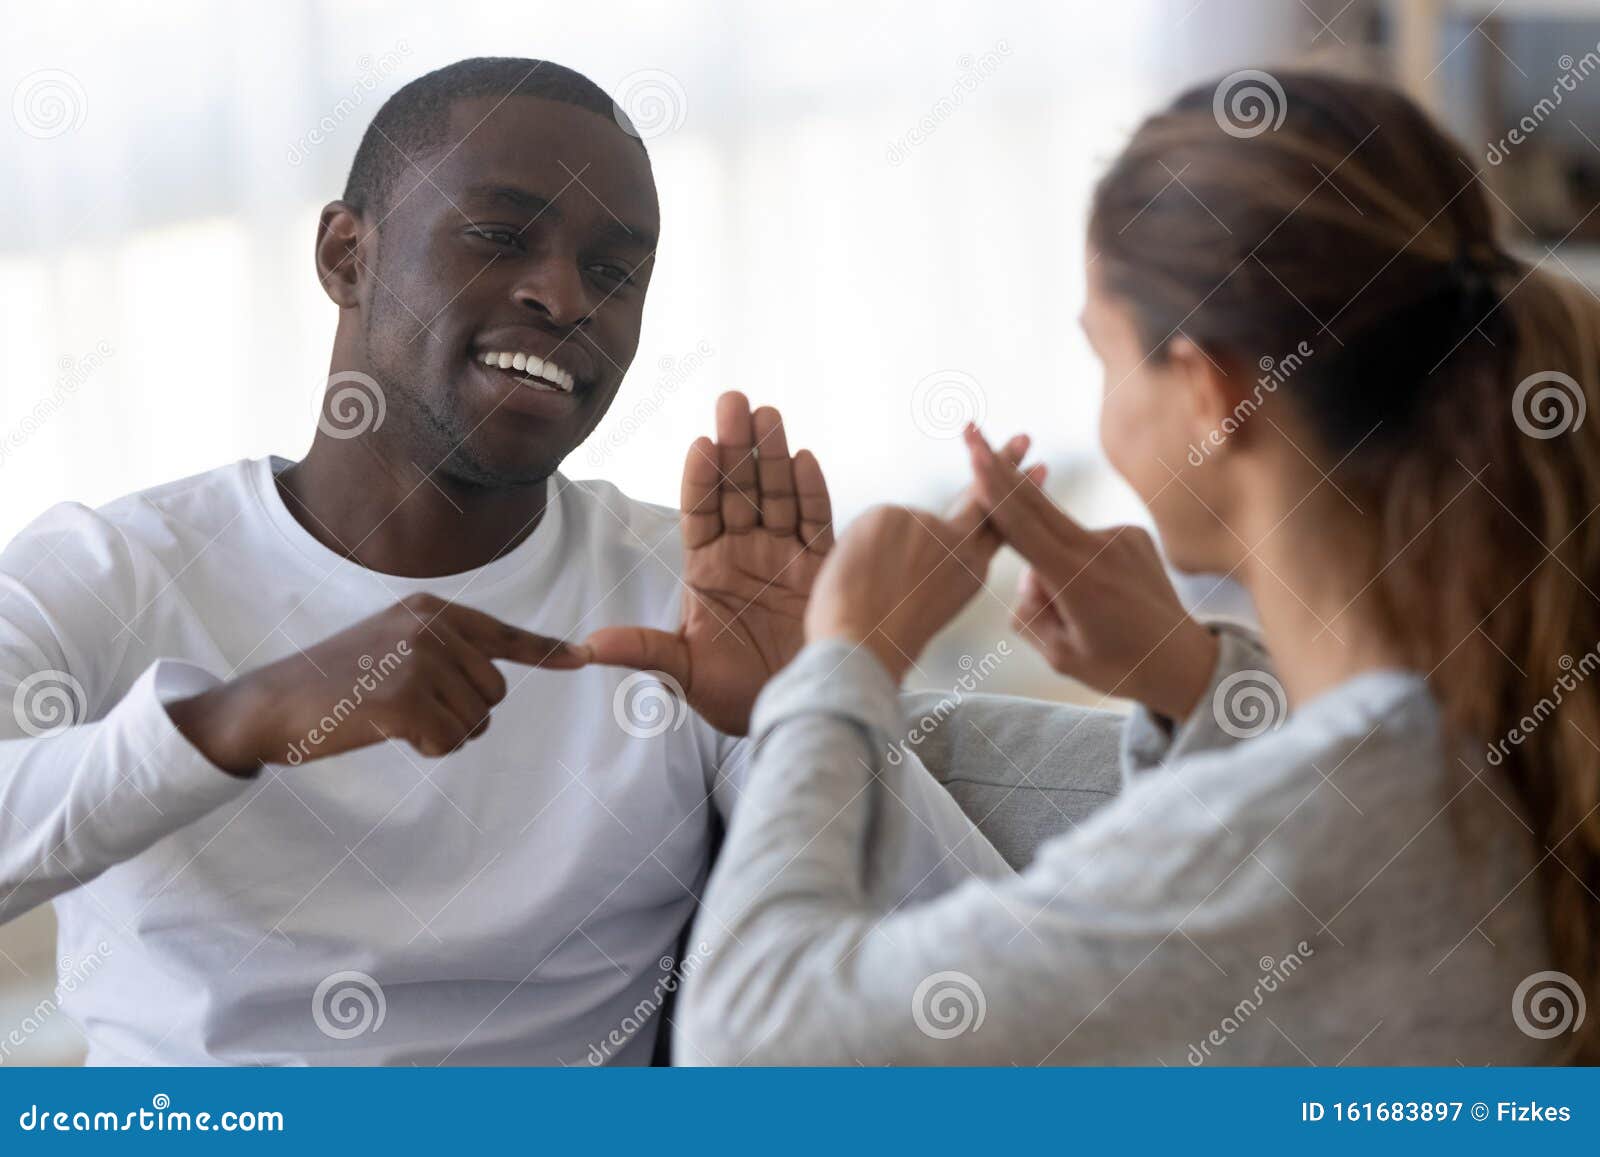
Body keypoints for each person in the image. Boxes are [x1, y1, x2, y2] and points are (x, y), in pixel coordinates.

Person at [0, 57, 1018, 1065]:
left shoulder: (692, 593)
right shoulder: (111, 571)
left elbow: (1002, 989)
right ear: (346, 256)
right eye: (498, 236)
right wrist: (235, 718)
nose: (564, 295)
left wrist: (810, 703)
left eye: (615, 271)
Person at [676, 70, 1600, 1065]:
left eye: (1105, 358)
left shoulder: (1324, 824)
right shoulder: (1499, 712)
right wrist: (1194, 678)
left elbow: (749, 1044)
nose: (1101, 414)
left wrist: (840, 664)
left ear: (1209, 393)